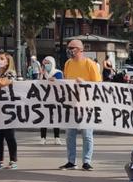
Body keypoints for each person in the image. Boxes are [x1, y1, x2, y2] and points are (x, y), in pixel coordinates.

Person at [60, 39, 101, 170]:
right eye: (68, 47)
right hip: (71, 104)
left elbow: (99, 85)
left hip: (87, 106)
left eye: (72, 47)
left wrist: (84, 82)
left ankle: (86, 161)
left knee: (87, 134)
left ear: (80, 50)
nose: (69, 50)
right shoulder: (68, 64)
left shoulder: (90, 64)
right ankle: (71, 161)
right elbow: (66, 81)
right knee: (70, 135)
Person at [38, 55, 61, 145]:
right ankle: (43, 137)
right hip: (45, 100)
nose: (47, 65)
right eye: (45, 63)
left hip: (55, 99)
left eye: (49, 63)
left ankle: (57, 137)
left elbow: (60, 82)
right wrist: (42, 75)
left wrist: (54, 80)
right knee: (44, 119)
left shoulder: (58, 72)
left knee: (55, 119)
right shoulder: (43, 74)